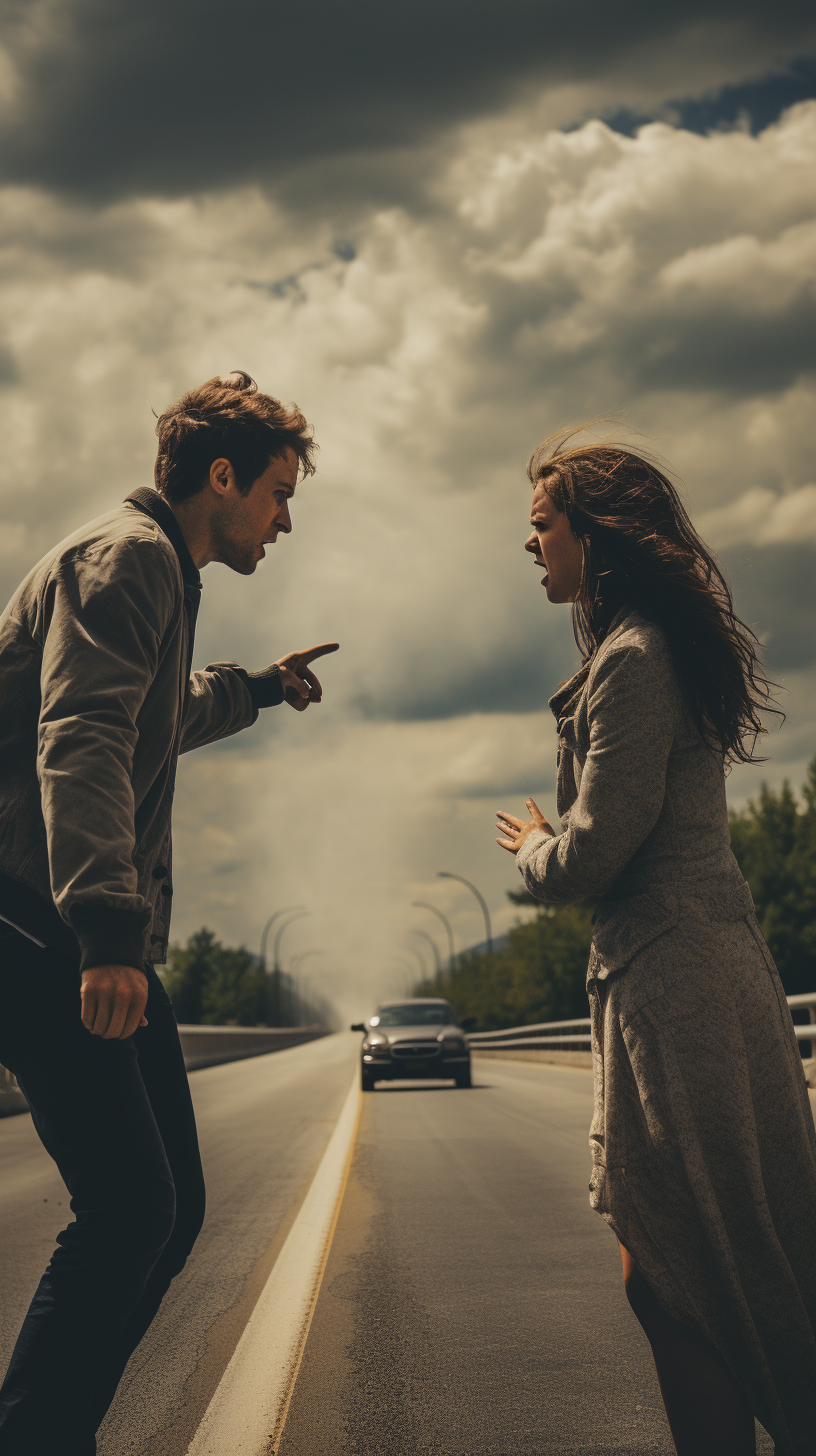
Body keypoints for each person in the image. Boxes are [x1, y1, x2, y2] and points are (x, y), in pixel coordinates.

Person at [0, 371, 339, 1455]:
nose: (285, 520)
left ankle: (51, 1427)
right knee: (132, 1208)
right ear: (222, 476)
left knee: (171, 1208)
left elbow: (159, 709)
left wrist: (264, 688)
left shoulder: (159, 572)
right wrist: (106, 929)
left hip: (85, 930)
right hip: (39, 925)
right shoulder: (129, 558)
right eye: (279, 494)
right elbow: (84, 738)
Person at [495, 431, 816, 1456]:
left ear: (594, 533)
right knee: (696, 1262)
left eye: (543, 523)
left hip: (676, 985)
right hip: (687, 972)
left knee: (691, 1266)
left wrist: (536, 849)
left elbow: (597, 850)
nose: (529, 540)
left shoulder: (634, 661)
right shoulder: (637, 646)